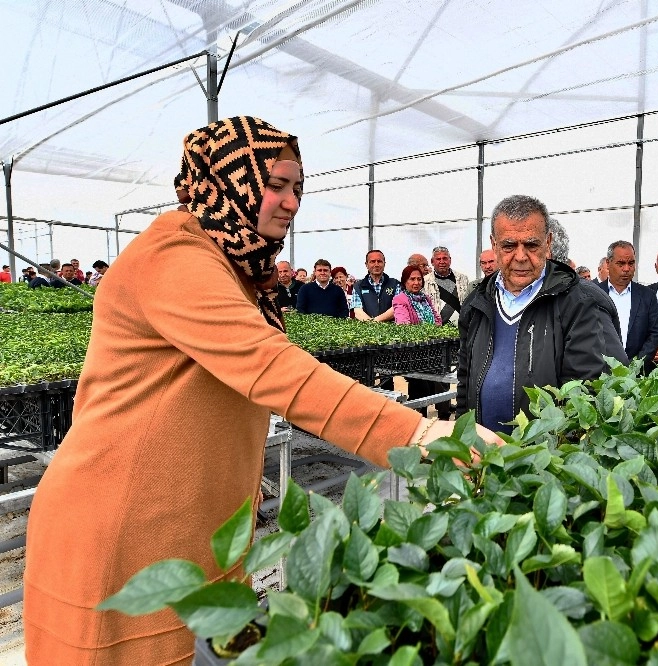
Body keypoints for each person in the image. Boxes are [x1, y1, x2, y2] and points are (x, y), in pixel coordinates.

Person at [23, 116, 498, 665]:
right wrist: (419, 433)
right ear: (230, 179)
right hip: (122, 531)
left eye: (298, 188)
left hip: (189, 527)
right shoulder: (173, 255)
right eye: (275, 184)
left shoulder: (236, 267)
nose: (292, 201)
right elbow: (273, 369)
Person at [458, 195, 608, 434]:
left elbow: (586, 387)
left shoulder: (575, 302)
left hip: (542, 459)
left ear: (548, 243)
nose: (520, 256)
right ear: (494, 245)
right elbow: (465, 380)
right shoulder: (477, 302)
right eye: (509, 245)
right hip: (483, 456)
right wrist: (464, 438)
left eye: (531, 245)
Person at [547, 218, 628, 364]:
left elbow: (612, 371)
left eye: (530, 246)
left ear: (547, 251)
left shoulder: (587, 301)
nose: (519, 256)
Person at [394, 265, 445, 416]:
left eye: (419, 279)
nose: (416, 282)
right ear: (404, 282)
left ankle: (423, 419)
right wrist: (427, 334)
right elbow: (404, 325)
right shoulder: (400, 299)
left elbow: (437, 320)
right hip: (412, 354)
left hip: (429, 352)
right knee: (421, 388)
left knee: (429, 387)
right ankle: (417, 422)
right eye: (412, 279)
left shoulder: (425, 298)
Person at [599, 241, 658, 366]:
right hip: (600, 371)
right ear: (608, 264)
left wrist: (636, 365)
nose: (626, 269)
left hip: (637, 374)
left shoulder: (647, 296)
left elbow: (654, 334)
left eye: (631, 263)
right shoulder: (594, 294)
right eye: (621, 263)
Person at [425, 246, 470, 325]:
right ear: (432, 262)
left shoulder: (463, 279)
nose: (442, 262)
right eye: (438, 259)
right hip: (436, 329)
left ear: (450, 260)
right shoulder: (425, 281)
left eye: (445, 258)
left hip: (461, 327)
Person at [354, 250, 399, 321]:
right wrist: (372, 325)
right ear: (366, 265)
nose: (376, 264)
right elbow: (357, 311)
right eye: (372, 261)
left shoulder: (395, 284)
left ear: (384, 264)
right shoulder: (358, 286)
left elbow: (396, 307)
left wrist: (375, 322)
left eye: (379, 261)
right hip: (366, 329)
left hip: (390, 329)